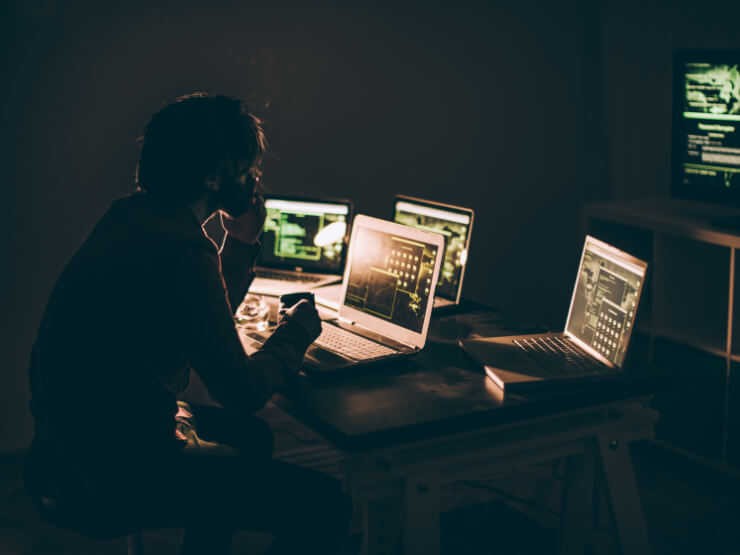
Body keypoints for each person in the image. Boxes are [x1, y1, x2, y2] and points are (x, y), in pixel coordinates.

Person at [24, 92, 351, 554]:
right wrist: (296, 332)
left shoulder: (132, 216)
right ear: (214, 178)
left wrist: (239, 245)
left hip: (63, 455)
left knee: (252, 439)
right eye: (247, 168)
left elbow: (199, 323)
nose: (255, 179)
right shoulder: (178, 248)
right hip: (110, 474)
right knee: (326, 504)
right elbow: (242, 392)